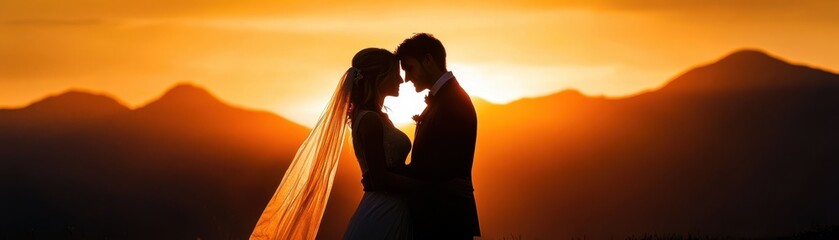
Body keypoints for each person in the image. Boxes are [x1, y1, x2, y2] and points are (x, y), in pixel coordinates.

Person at [250, 48, 422, 240]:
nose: (400, 80)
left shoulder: (376, 117)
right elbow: (380, 177)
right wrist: (429, 187)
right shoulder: (370, 120)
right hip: (383, 212)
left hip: (390, 207)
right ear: (379, 77)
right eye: (395, 74)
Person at [396, 33, 481, 239]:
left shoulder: (452, 102)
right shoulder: (446, 98)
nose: (406, 78)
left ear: (427, 60)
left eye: (409, 67)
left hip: (445, 221)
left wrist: (385, 175)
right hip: (439, 217)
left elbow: (437, 168)